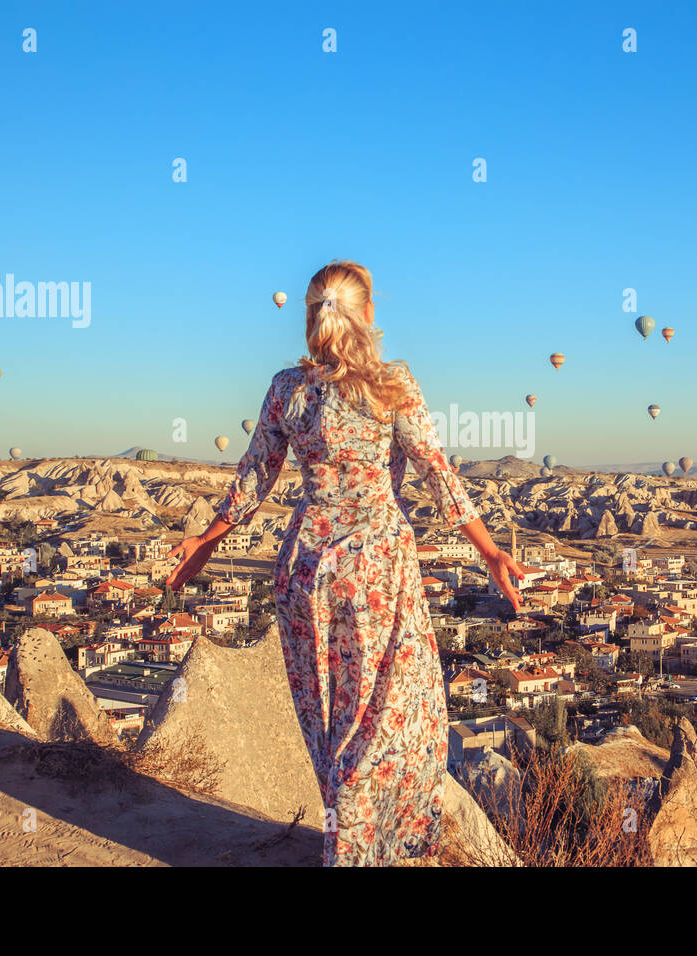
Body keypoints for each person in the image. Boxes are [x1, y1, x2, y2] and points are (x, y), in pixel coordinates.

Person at [165, 260, 529, 866]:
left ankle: (349, 839)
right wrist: (489, 550)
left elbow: (254, 478)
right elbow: (438, 475)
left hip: (304, 571)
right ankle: (368, 851)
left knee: (331, 719)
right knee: (390, 722)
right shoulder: (392, 383)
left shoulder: (287, 387)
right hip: (375, 571)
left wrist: (205, 542)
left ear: (311, 317)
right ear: (368, 314)